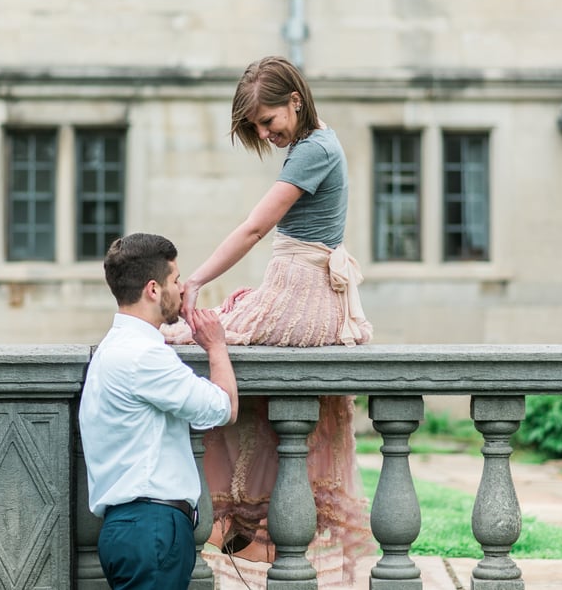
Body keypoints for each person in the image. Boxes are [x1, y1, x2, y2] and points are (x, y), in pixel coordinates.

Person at [162, 56, 375, 585]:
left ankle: (231, 513)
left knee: (184, 341)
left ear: (295, 102)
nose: (264, 132)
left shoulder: (315, 149)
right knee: (214, 342)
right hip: (299, 292)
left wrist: (193, 282)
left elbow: (255, 229)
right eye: (256, 126)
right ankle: (247, 519)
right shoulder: (316, 143)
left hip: (302, 298)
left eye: (268, 120)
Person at [79, 232, 239, 590]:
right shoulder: (144, 355)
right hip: (151, 530)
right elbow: (222, 407)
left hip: (133, 529)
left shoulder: (115, 347)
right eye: (176, 280)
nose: (182, 290)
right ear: (153, 289)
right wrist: (216, 347)